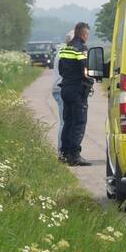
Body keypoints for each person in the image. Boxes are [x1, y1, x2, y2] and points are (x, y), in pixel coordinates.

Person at [57, 22, 93, 166]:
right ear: (84, 34)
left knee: (68, 121)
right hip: (78, 90)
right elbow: (85, 71)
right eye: (87, 35)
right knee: (79, 122)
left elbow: (61, 69)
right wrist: (91, 79)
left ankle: (64, 154)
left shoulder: (66, 48)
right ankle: (75, 156)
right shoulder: (81, 49)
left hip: (65, 88)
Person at [51, 31, 74, 160]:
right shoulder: (66, 54)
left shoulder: (62, 51)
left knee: (66, 121)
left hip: (59, 88)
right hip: (61, 89)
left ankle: (65, 151)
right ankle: (62, 153)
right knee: (65, 122)